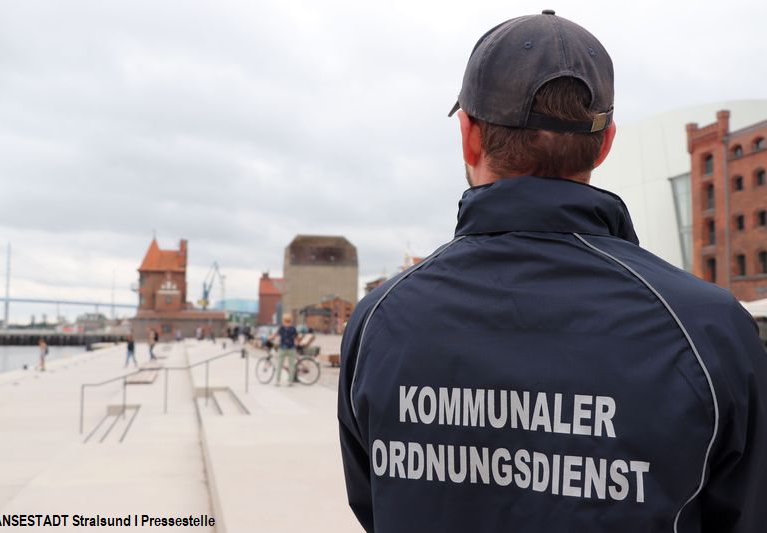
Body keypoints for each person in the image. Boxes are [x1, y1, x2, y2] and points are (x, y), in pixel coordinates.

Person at [337, 11, 767, 533]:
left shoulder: (378, 322)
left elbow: (374, 505)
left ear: (468, 136)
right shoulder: (709, 331)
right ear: (605, 144)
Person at [269, 314, 300, 386]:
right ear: (290, 320)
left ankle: (277, 381)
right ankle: (290, 381)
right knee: (291, 366)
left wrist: (270, 338)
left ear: (284, 320)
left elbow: (275, 335)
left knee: (279, 365)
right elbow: (297, 338)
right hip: (292, 349)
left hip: (282, 348)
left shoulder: (282, 328)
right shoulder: (293, 328)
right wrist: (297, 342)